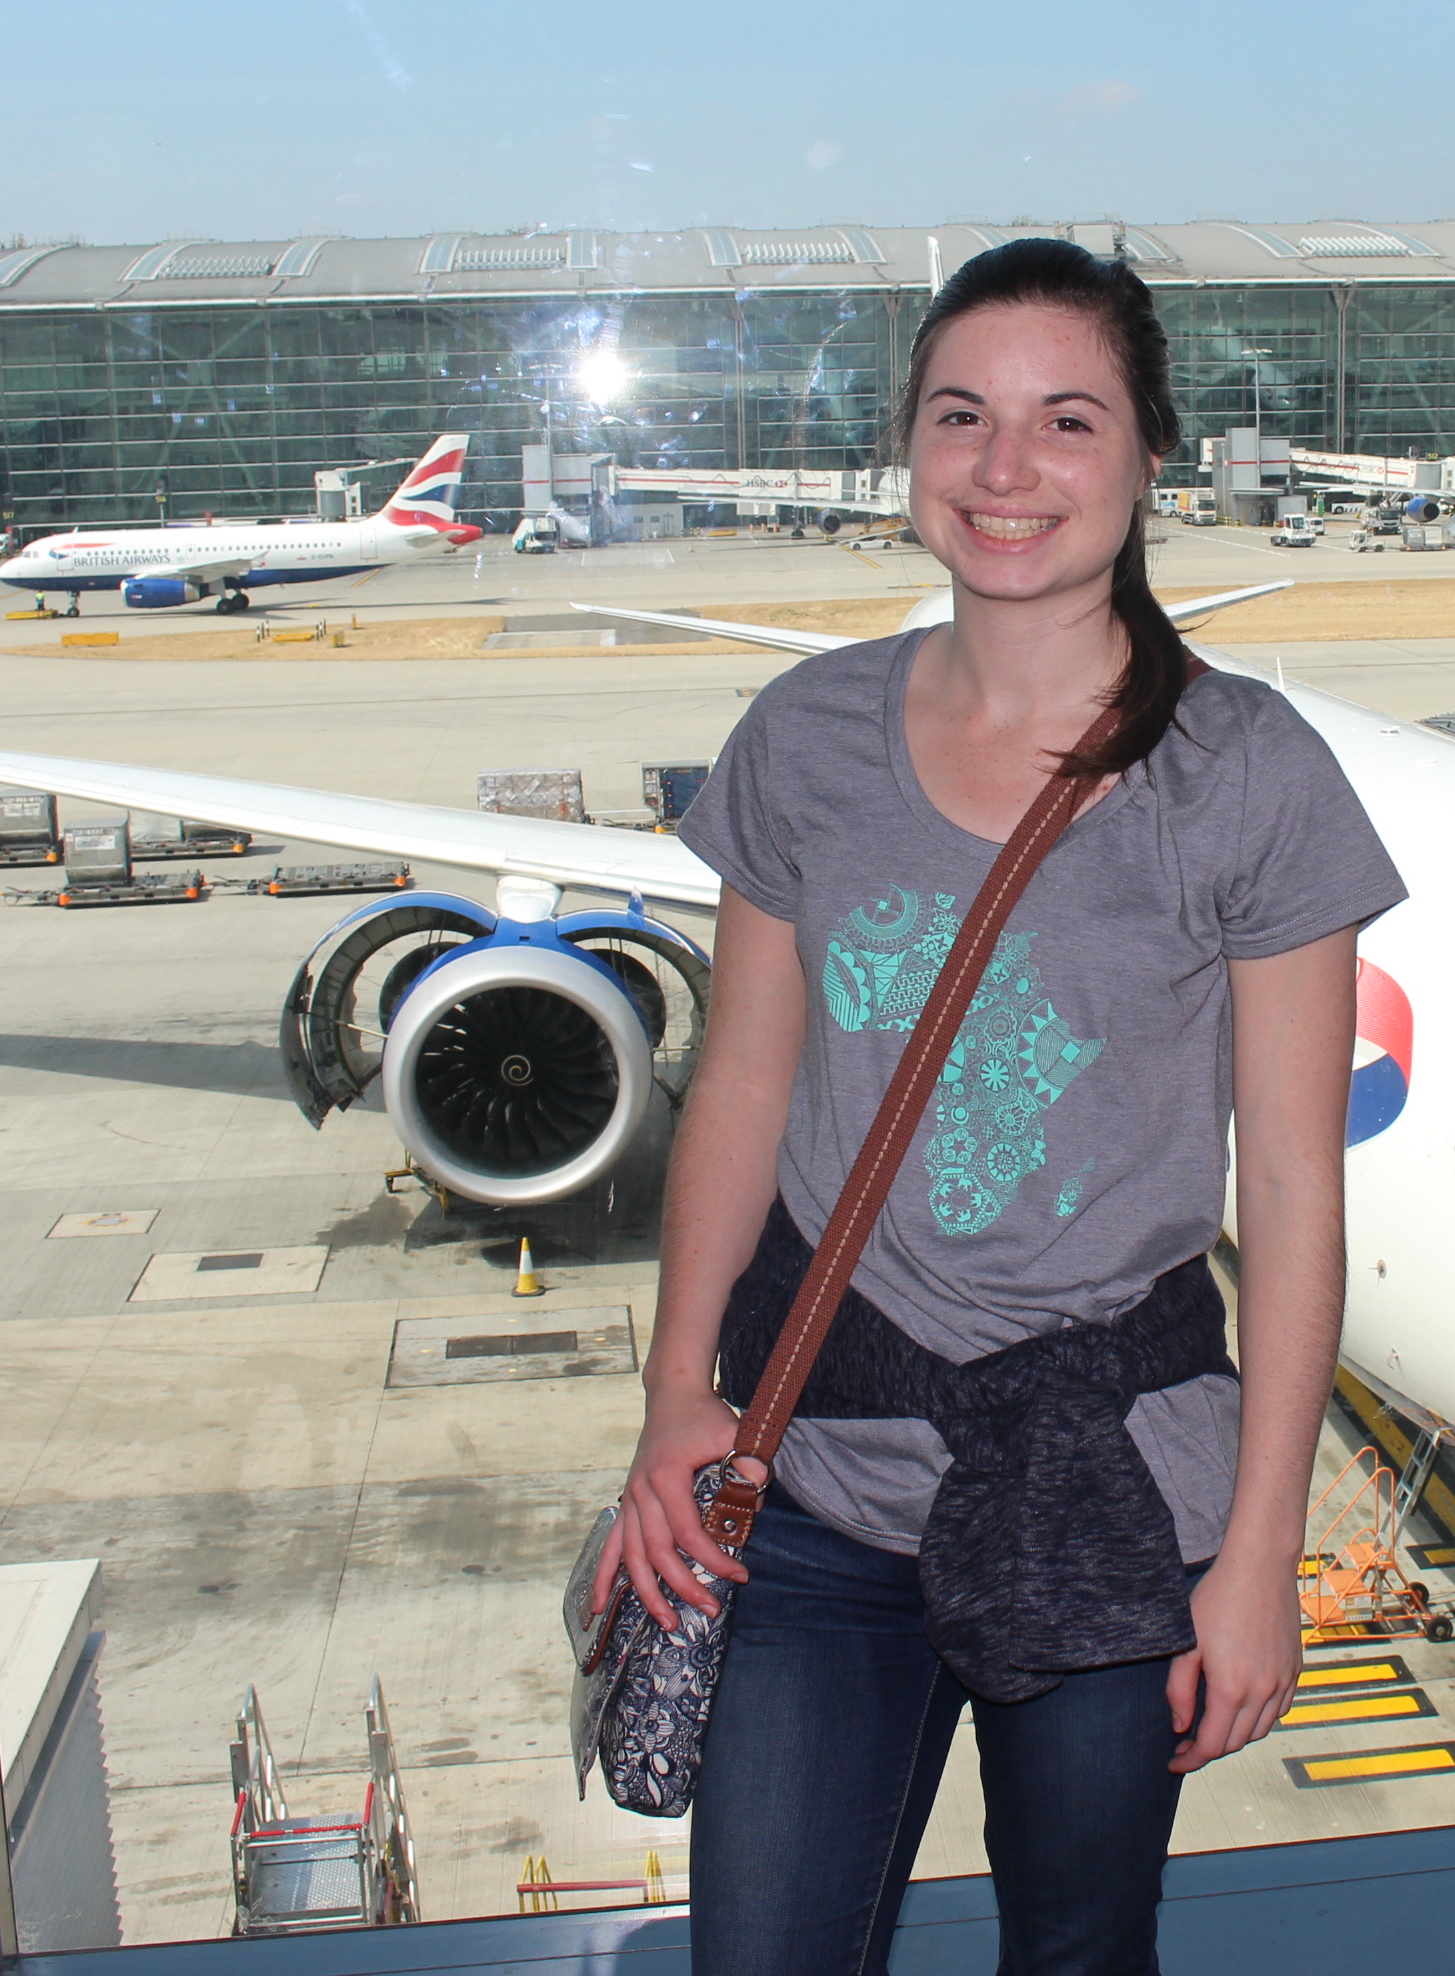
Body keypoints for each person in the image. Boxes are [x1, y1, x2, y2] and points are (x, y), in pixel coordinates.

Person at [593, 238, 1405, 1976]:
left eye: (1067, 419)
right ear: (908, 446)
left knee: (1080, 1957)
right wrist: (675, 1400)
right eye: (961, 415)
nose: (1005, 467)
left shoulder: (1247, 775)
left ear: (1150, 457)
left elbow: (1296, 1193)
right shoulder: (806, 736)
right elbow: (741, 1083)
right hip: (818, 1468)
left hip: (1110, 1489)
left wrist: (1264, 1552)